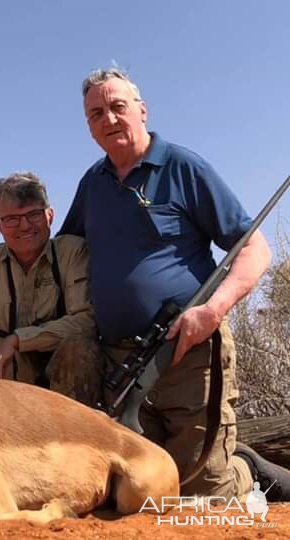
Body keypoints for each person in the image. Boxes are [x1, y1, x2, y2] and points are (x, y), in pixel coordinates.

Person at [59, 66, 290, 500]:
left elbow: (255, 249)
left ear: (142, 110)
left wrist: (212, 310)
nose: (108, 119)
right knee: (141, 490)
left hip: (190, 352)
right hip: (120, 364)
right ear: (88, 127)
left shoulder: (184, 166)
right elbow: (61, 252)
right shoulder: (92, 184)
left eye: (118, 107)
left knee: (205, 494)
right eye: (95, 114)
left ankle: (248, 468)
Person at [0, 172, 100, 406]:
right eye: (12, 219)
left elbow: (86, 322)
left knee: (78, 348)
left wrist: (17, 340)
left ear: (50, 215)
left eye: (34, 214)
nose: (25, 225)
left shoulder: (73, 252)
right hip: (8, 396)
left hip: (68, 397)